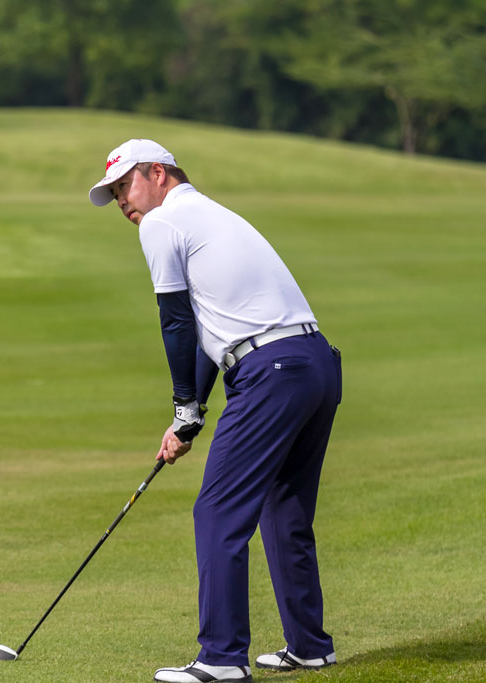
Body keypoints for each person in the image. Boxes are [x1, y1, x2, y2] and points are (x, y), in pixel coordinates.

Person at [87, 139, 342, 683]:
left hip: (271, 372)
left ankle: (222, 658)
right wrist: (191, 415)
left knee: (218, 512)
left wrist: (183, 404)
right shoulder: (213, 214)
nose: (122, 202)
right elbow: (209, 332)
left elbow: (177, 322)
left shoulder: (163, 222)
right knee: (283, 508)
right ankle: (309, 647)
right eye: (114, 194)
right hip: (315, 363)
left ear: (158, 173)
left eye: (125, 186)